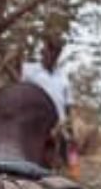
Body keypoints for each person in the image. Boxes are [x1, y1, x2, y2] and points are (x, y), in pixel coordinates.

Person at [18, 31, 79, 176]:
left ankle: (71, 178)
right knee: (36, 162)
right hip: (36, 124)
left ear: (58, 54)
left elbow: (68, 105)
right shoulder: (29, 70)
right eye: (49, 50)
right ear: (43, 51)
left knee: (67, 159)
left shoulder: (63, 77)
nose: (51, 54)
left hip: (59, 125)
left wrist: (71, 131)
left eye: (55, 52)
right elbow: (19, 93)